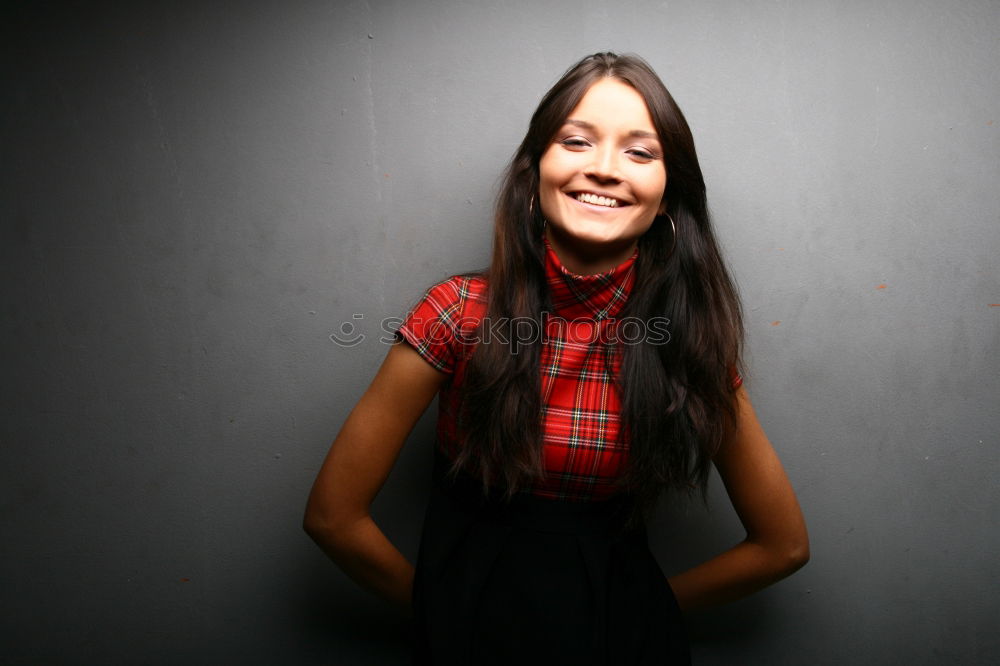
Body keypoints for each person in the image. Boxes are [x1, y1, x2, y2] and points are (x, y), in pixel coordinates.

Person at [304, 52, 809, 665]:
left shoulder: (688, 339)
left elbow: (782, 546)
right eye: (576, 141)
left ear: (668, 195)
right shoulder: (456, 312)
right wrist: (450, 611)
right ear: (534, 171)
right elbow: (333, 518)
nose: (603, 169)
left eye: (640, 152)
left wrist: (637, 610)